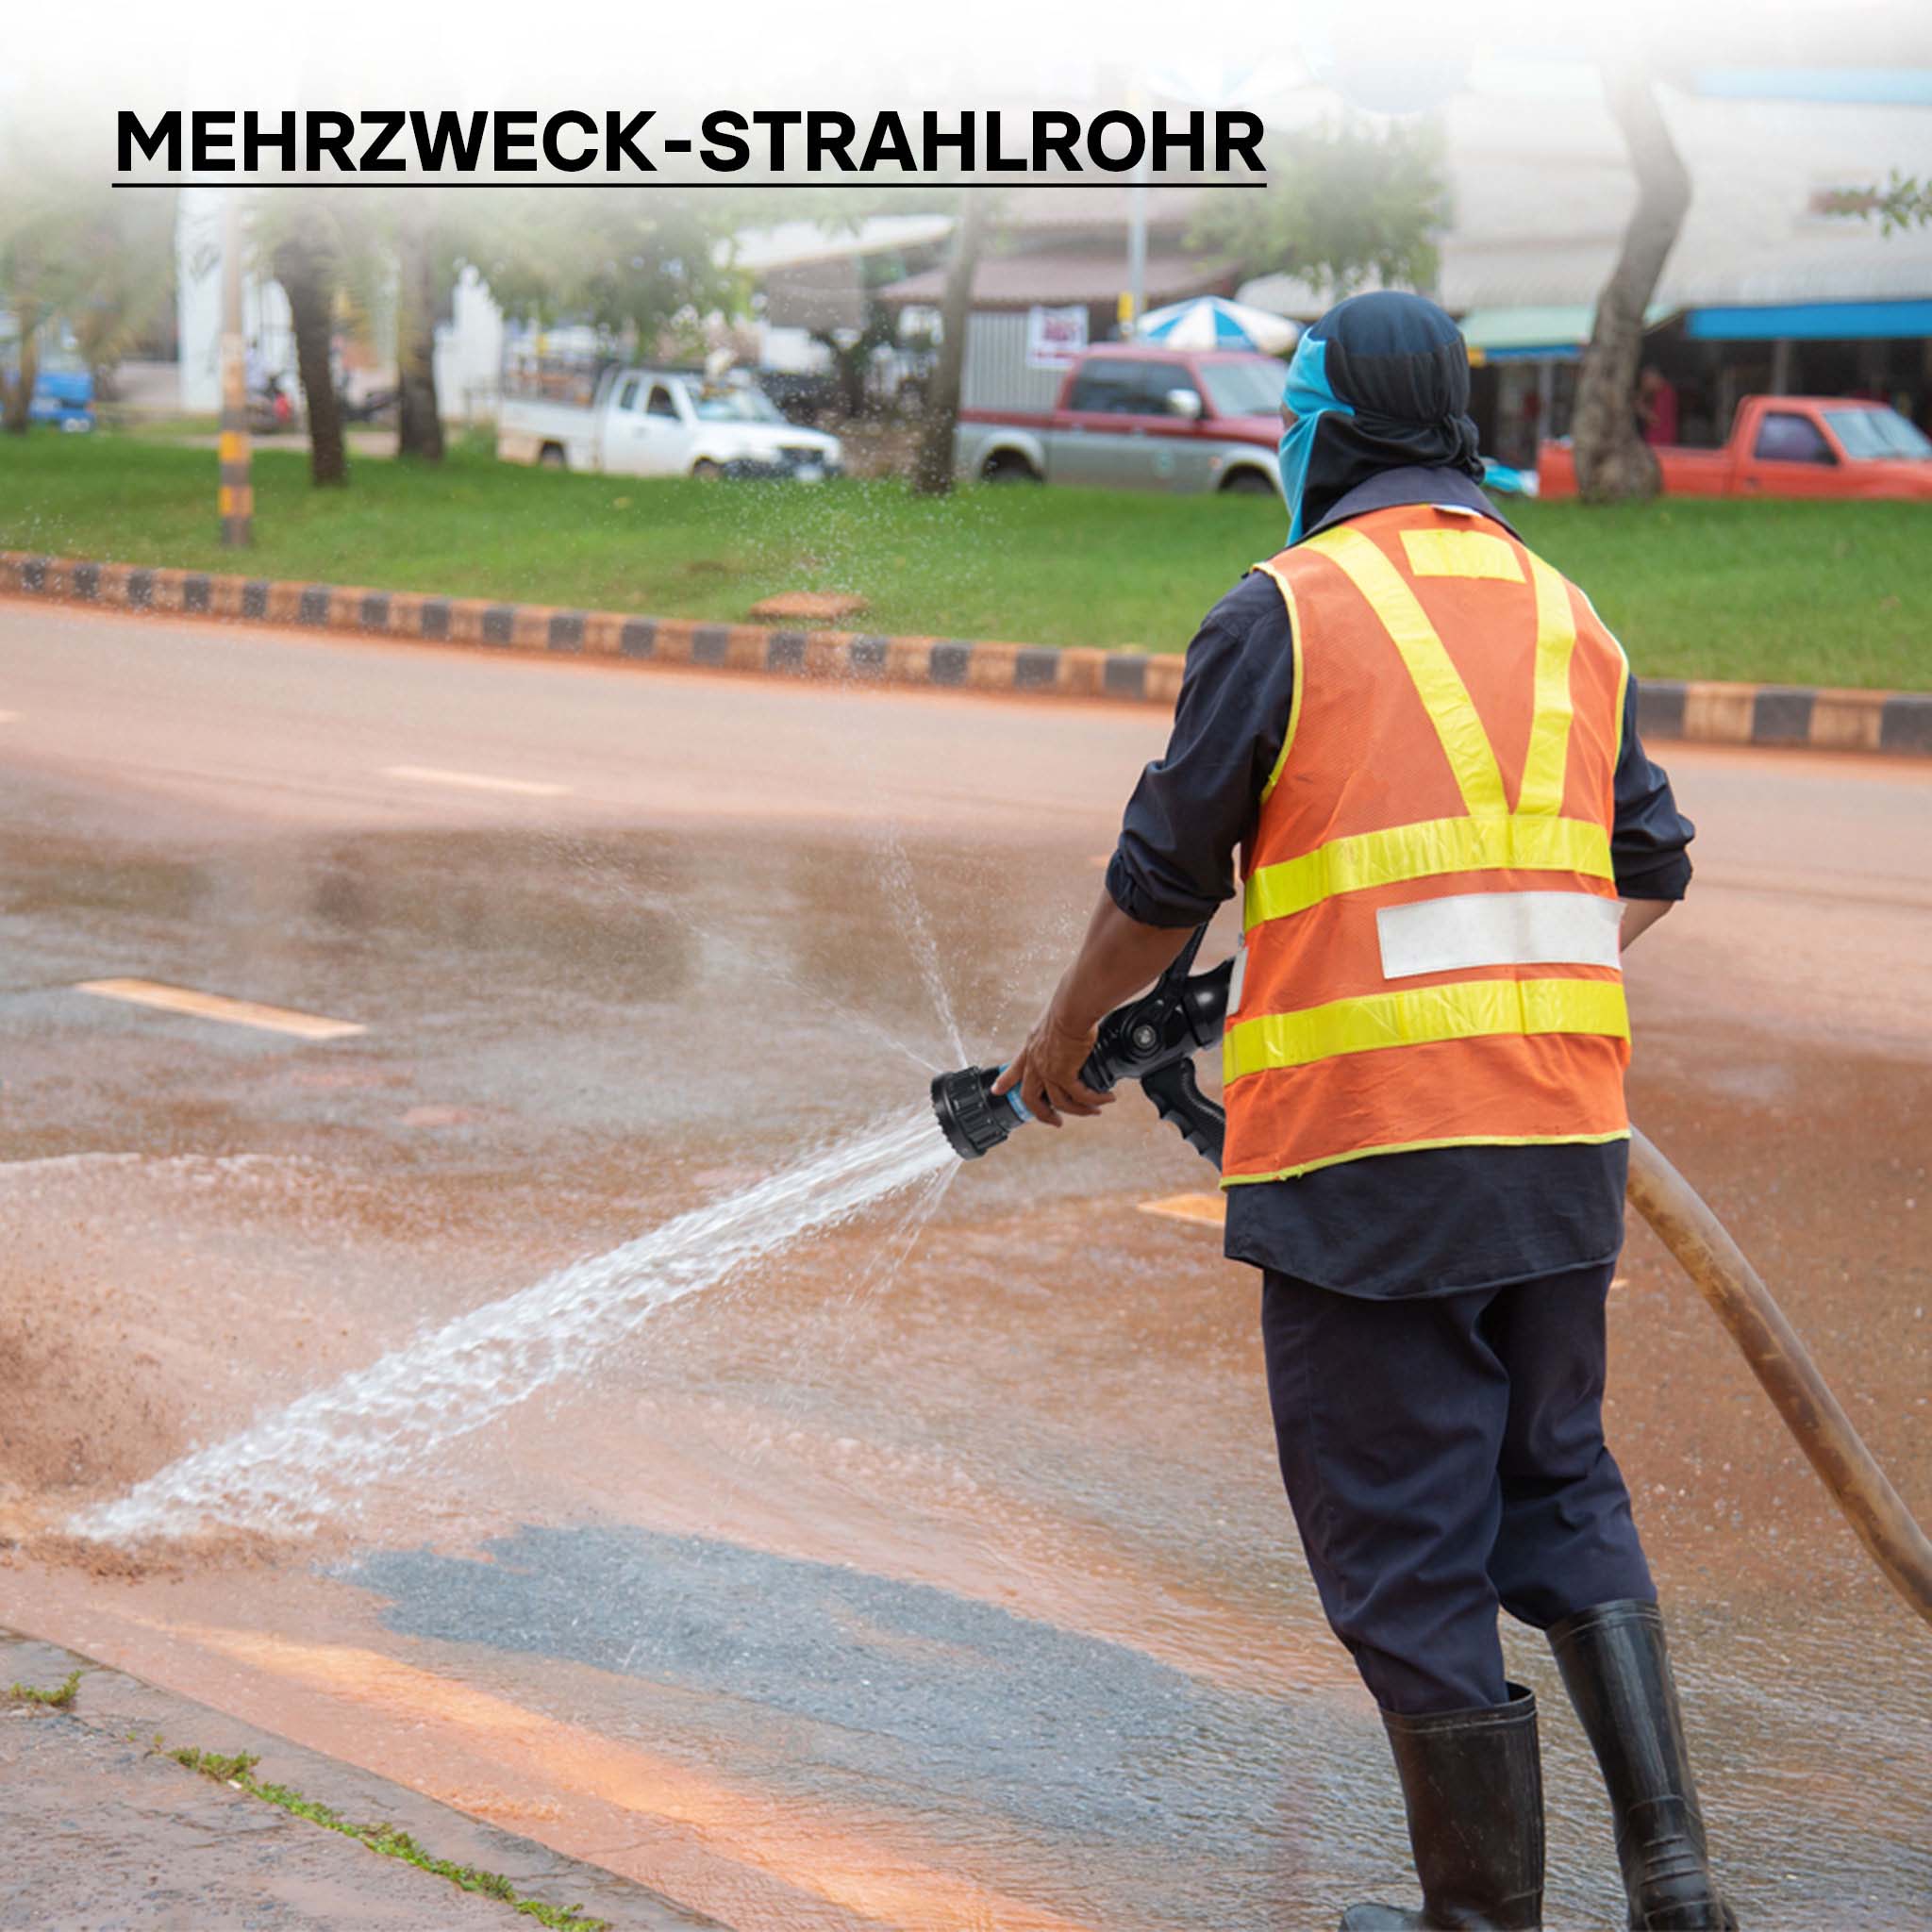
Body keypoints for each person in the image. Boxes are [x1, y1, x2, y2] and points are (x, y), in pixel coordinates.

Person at [994, 291, 1734, 1932]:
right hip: (1558, 1142)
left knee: (1404, 1542)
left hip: (1376, 1161)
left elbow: (1157, 887)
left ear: (1323, 432)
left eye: (1288, 416)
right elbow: (1651, 866)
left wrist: (1062, 1039)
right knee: (1557, 1486)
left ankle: (1485, 1922)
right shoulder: (1566, 607)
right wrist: (1509, 990)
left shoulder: (1288, 608)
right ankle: (1678, 1888)